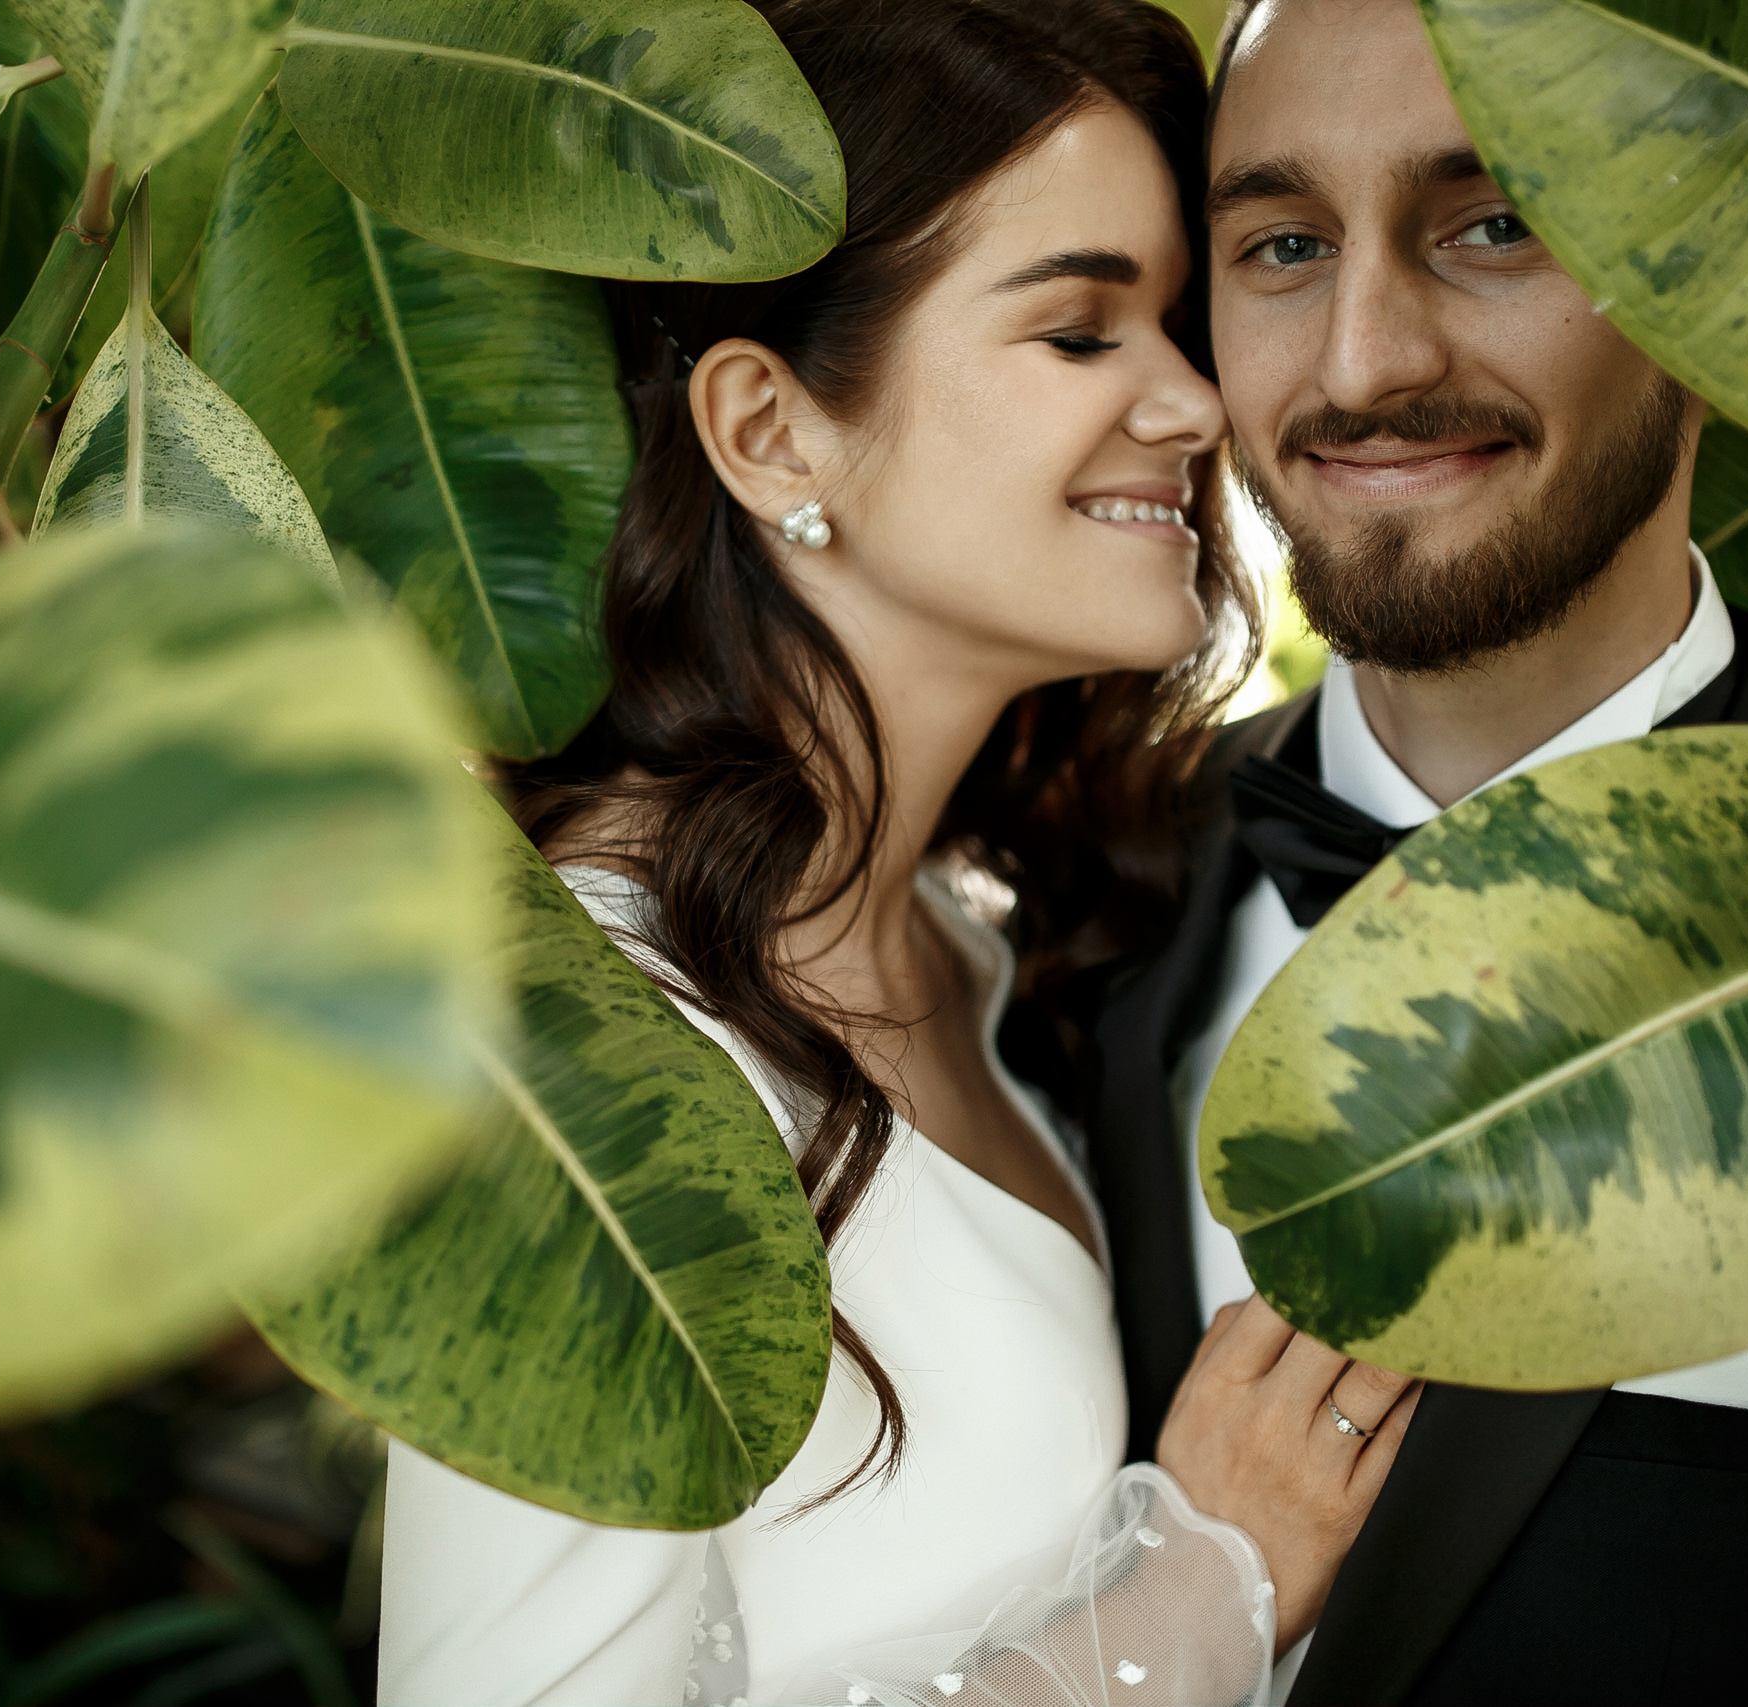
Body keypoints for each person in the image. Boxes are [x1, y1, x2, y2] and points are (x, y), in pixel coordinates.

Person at [376, 2, 1416, 1701]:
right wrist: (1201, 1587)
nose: (1193, 402)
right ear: (770, 431)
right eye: (1079, 331)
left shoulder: (976, 942)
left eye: (1176, 325)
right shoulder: (571, 1056)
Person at [1086, 2, 1748, 1703]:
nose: (1364, 364)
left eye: (1496, 223)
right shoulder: (1066, 885)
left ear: (1717, 297)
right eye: (1285, 246)